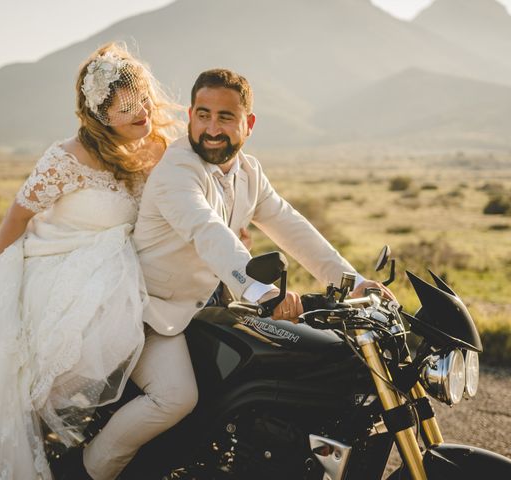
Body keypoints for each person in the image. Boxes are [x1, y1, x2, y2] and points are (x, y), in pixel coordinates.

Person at [81, 68, 393, 479]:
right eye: (204, 115)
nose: (211, 128)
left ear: (248, 124)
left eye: (225, 118)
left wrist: (350, 283)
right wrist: (264, 292)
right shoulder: (178, 170)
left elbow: (291, 225)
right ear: (191, 115)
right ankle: (88, 471)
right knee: (174, 397)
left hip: (207, 312)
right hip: (152, 315)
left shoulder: (248, 173)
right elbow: (207, 231)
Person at [0, 42, 183, 479]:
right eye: (126, 107)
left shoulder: (153, 149)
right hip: (59, 273)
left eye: (144, 100)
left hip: (120, 277)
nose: (142, 112)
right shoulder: (68, 157)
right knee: (35, 395)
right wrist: (0, 293)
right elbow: (17, 218)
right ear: (98, 114)